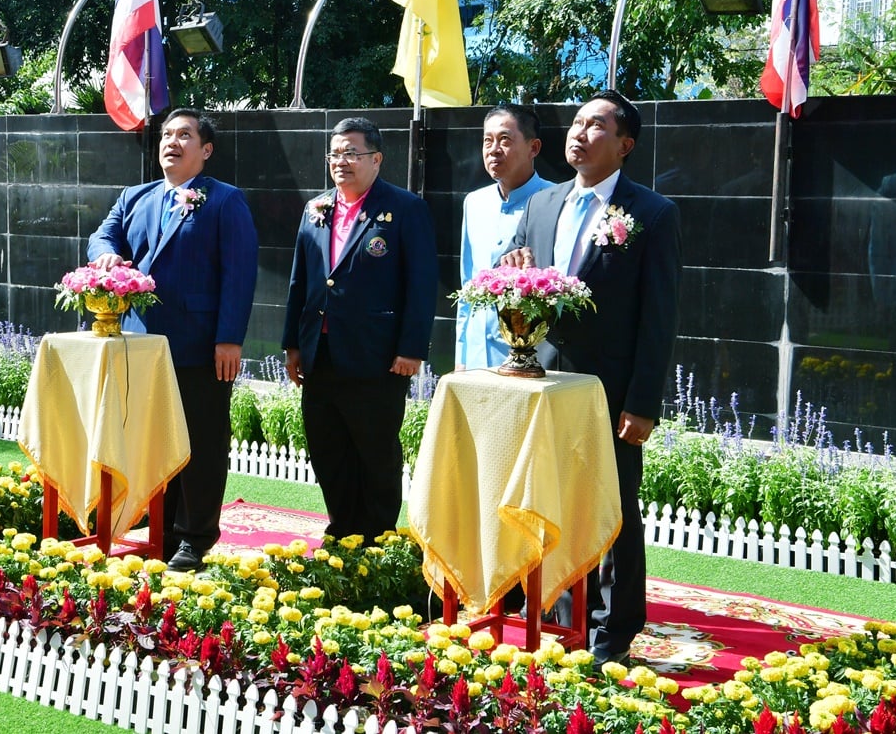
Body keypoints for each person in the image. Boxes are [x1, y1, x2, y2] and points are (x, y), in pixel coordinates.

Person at [500, 90, 681, 667]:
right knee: (547, 499)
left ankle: (613, 630)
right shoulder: (543, 203)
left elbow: (659, 317)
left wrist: (643, 402)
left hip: (609, 392)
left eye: (596, 126)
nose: (579, 133)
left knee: (612, 508)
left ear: (625, 145)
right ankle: (557, 613)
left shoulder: (651, 214)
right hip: (543, 385)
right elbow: (513, 270)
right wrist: (511, 269)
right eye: (576, 123)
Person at [87, 108, 258, 571]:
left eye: (185, 135)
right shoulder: (135, 197)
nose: (172, 142)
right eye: (166, 135)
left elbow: (239, 276)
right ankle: (159, 530)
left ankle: (194, 536)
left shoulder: (225, 201)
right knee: (154, 442)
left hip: (200, 348)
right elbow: (102, 237)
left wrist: (229, 339)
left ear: (205, 150)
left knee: (200, 442)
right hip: (140, 347)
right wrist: (106, 258)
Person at [281, 117, 438, 541]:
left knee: (375, 452)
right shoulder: (315, 209)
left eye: (352, 153)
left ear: (376, 159)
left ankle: (377, 539)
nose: (341, 162)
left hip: (378, 357)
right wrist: (292, 345)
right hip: (321, 353)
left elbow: (421, 284)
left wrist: (411, 348)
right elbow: (301, 281)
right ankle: (342, 532)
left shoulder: (404, 209)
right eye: (335, 153)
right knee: (327, 449)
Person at [456, 104, 553, 370]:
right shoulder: (474, 202)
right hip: (477, 358)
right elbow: (468, 285)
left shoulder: (556, 201)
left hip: (530, 362)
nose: (493, 149)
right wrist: (461, 357)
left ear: (534, 148)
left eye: (505, 140)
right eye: (488, 140)